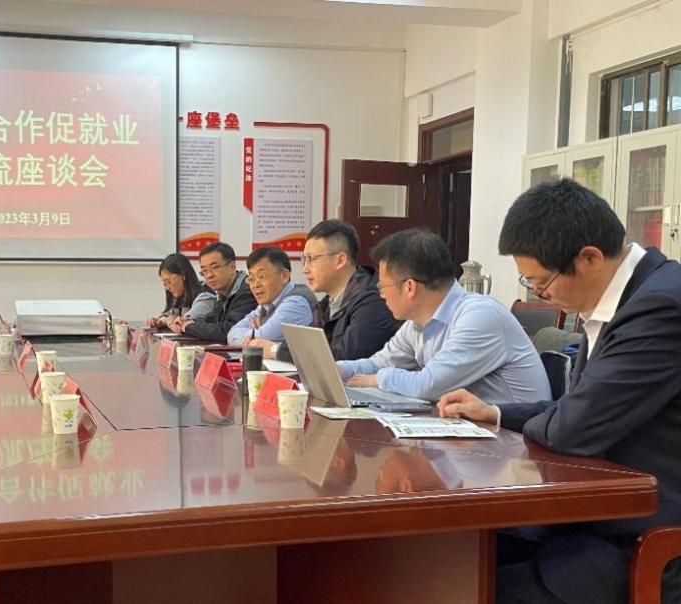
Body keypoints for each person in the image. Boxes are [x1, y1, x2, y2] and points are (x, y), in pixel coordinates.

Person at [438, 179, 681, 604]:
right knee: (445, 556)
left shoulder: (660, 306)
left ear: (589, 258)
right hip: (600, 514)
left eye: (541, 282)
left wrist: (556, 417)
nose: (541, 294)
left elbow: (572, 428)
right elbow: (576, 409)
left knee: (456, 585)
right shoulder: (624, 296)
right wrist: (495, 412)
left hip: (647, 539)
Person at [337, 228, 549, 405]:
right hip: (470, 428)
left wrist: (376, 380)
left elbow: (427, 385)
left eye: (383, 287)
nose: (381, 295)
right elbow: (379, 363)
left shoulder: (479, 316)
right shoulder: (417, 323)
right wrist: (336, 370)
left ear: (410, 287)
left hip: (514, 435)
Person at [248, 220, 399, 361]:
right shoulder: (326, 304)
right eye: (304, 260)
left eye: (311, 259)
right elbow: (305, 343)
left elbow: (343, 356)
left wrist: (275, 350)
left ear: (340, 260)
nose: (305, 269)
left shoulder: (372, 301)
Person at [226, 246, 316, 345]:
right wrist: (255, 334)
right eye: (251, 279)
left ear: (284, 276)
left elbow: (262, 337)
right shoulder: (267, 304)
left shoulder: (296, 303)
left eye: (261, 276)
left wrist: (256, 333)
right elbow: (231, 335)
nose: (255, 285)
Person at [171, 242, 258, 344]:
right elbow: (213, 322)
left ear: (232, 267)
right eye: (204, 271)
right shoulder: (223, 292)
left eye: (215, 267)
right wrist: (188, 322)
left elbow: (227, 332)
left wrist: (189, 326)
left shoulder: (248, 292)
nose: (209, 275)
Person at [147, 252, 204, 328]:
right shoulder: (179, 297)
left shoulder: (204, 296)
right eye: (165, 284)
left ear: (183, 275)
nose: (167, 288)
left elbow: (184, 321)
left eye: (169, 282)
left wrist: (169, 321)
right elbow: (169, 314)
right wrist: (159, 321)